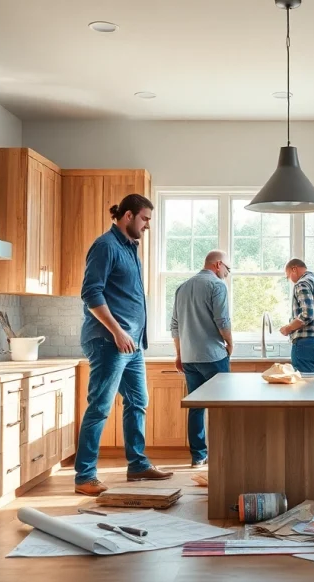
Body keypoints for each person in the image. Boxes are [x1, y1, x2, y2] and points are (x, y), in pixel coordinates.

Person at [75, 194, 173, 496]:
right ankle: (84, 476)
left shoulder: (130, 249)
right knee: (100, 407)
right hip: (109, 341)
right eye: (145, 219)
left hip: (132, 344)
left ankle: (138, 464)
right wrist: (117, 331)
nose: (147, 226)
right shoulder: (105, 246)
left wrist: (133, 336)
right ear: (128, 215)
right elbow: (91, 293)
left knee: (138, 401)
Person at [170, 250, 234, 468]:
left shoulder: (182, 287)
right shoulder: (217, 286)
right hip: (213, 356)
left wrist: (179, 354)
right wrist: (230, 343)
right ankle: (224, 454)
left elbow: (175, 325)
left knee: (196, 407)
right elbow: (222, 320)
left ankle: (198, 457)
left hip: (189, 357)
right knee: (223, 406)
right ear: (218, 265)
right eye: (227, 268)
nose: (227, 273)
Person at [279, 259, 314, 373]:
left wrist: (288, 328)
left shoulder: (302, 284)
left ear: (294, 269)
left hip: (304, 344)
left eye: (288, 276)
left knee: (304, 383)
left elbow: (307, 314)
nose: (289, 280)